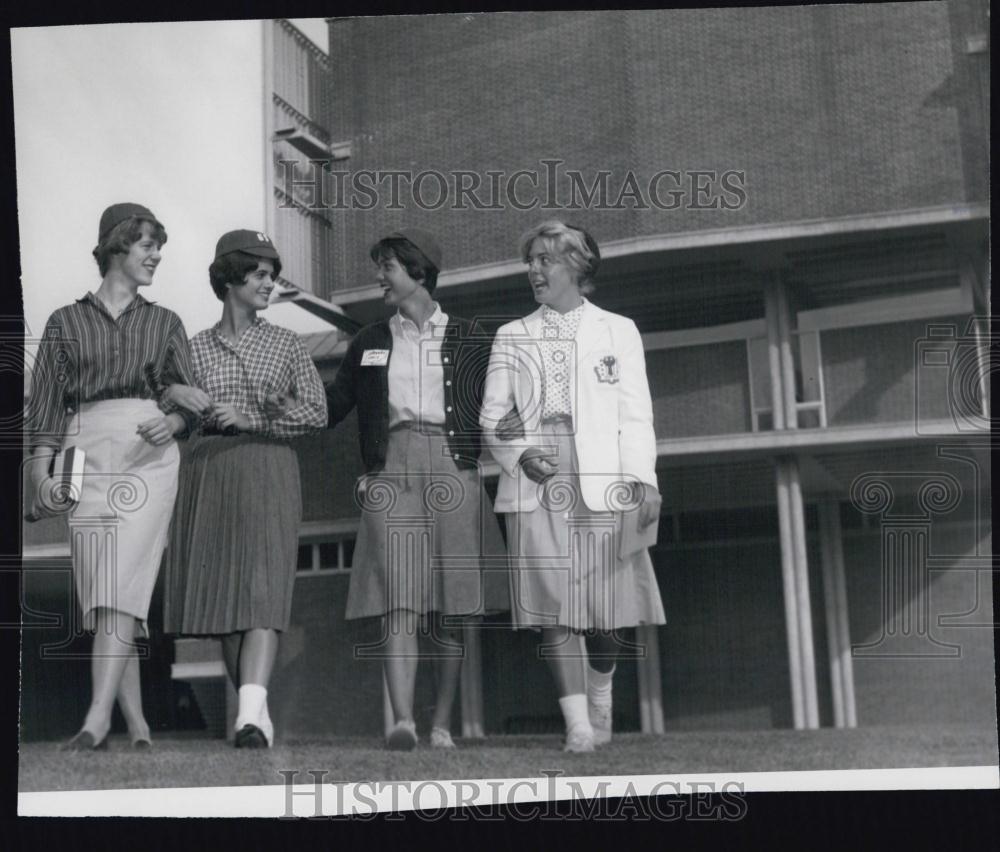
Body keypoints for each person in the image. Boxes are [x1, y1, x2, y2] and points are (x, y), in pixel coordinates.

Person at [480, 220, 665, 752]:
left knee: (608, 612)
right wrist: (519, 454)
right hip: (539, 476)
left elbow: (637, 415)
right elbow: (493, 416)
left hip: (605, 474)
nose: (535, 270)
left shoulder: (618, 330)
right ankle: (578, 725)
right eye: (531, 260)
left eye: (546, 260)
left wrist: (643, 480)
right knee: (554, 603)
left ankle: (600, 689)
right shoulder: (511, 336)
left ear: (577, 267)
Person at [27, 202, 201, 750]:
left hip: (147, 454)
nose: (156, 256)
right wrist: (38, 474)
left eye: (159, 247)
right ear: (117, 246)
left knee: (123, 576)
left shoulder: (166, 321)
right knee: (104, 592)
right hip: (82, 450)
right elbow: (48, 408)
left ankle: (97, 718)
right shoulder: (64, 322)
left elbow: (189, 403)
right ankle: (140, 725)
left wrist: (171, 421)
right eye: (148, 244)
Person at [325, 228, 508, 750]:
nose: (379, 276)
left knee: (451, 604)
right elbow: (335, 406)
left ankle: (443, 725)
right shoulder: (369, 341)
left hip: (454, 468)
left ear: (419, 272)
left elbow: (498, 407)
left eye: (388, 267)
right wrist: (279, 399)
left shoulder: (472, 337)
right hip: (393, 470)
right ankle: (404, 722)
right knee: (398, 600)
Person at [161, 230, 326, 748]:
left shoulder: (287, 344)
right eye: (259, 274)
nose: (268, 284)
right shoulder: (190, 348)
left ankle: (250, 717)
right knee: (226, 609)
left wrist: (253, 417)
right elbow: (180, 419)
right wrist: (176, 409)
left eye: (272, 275)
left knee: (261, 593)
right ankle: (255, 714)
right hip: (208, 474)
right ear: (231, 276)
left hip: (268, 469)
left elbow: (317, 412)